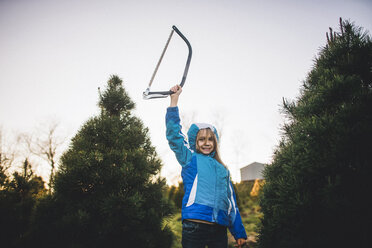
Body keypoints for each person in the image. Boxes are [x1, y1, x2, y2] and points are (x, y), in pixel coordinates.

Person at [166, 85, 247, 248]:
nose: (206, 143)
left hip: (219, 228)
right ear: (195, 142)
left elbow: (231, 203)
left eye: (210, 139)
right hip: (195, 226)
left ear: (215, 142)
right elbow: (174, 136)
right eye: (201, 139)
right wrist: (174, 101)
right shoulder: (190, 159)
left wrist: (238, 232)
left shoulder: (223, 169)